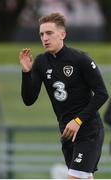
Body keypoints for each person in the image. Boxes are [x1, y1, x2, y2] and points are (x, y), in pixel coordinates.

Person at [19, 13, 108, 179]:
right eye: (41, 34)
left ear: (62, 34)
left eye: (49, 33)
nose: (45, 38)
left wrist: (78, 120)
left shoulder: (80, 59)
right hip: (66, 132)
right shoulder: (40, 62)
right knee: (84, 177)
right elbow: (29, 100)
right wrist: (26, 72)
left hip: (88, 130)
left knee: (74, 177)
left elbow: (102, 94)